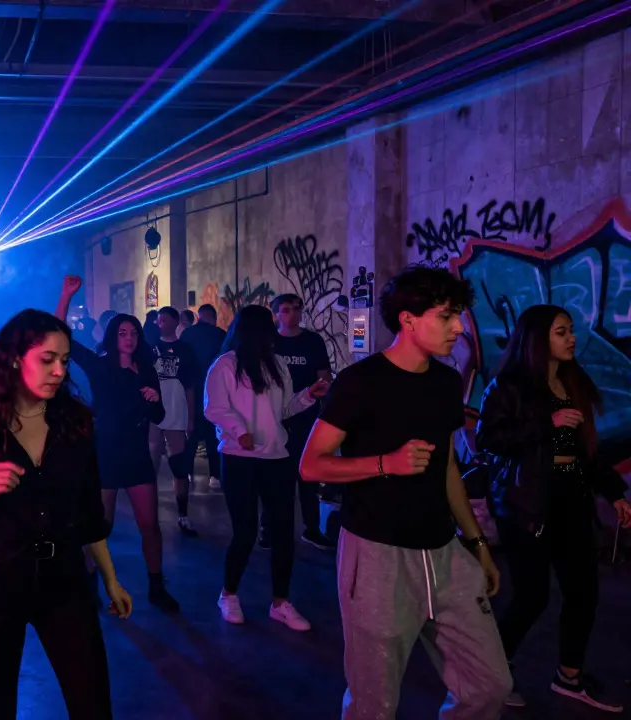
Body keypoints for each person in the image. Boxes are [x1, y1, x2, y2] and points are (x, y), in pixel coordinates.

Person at [300, 266, 512, 719]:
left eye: (458, 315)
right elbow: (311, 463)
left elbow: (447, 466)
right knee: (374, 703)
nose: (458, 326)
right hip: (376, 556)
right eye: (446, 315)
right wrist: (385, 464)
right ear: (408, 320)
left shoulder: (446, 381)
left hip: (443, 552)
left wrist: (476, 544)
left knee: (490, 685)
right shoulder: (360, 382)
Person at [0, 308, 133, 719]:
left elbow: (89, 512)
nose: (59, 370)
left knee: (92, 704)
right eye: (47, 359)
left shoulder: (75, 422)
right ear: (14, 358)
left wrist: (111, 579)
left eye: (64, 360)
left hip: (64, 582)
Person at [476, 304, 631, 713]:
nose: (572, 338)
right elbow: (489, 438)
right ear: (537, 337)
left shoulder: (571, 380)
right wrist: (549, 422)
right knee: (532, 596)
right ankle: (494, 670)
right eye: (561, 332)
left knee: (583, 590)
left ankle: (570, 676)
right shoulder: (509, 384)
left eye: (570, 331)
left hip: (572, 498)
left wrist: (614, 490)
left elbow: (584, 451)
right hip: (527, 501)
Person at [56, 277, 178, 612]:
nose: (128, 337)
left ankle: (156, 585)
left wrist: (154, 398)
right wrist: (66, 295)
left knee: (149, 525)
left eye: (133, 333)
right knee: (99, 527)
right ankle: (91, 585)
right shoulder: (99, 365)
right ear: (113, 336)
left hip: (136, 454)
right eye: (122, 332)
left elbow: (159, 413)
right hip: (104, 452)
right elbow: (61, 335)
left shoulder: (147, 370)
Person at [204, 305, 328, 630]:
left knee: (283, 533)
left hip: (276, 458)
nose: (272, 334)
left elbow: (284, 409)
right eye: (267, 328)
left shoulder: (277, 365)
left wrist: (307, 396)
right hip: (238, 460)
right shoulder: (225, 366)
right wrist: (238, 431)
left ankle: (280, 602)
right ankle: (228, 594)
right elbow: (214, 408)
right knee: (244, 532)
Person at [271, 294, 335, 550]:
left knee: (307, 474)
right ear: (276, 313)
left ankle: (311, 528)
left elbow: (324, 375)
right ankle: (270, 527)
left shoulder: (312, 341)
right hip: (275, 417)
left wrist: (324, 396)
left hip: (306, 415)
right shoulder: (270, 342)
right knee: (275, 476)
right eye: (286, 310)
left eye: (296, 309)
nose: (292, 314)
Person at [151, 306, 200, 535]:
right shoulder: (149, 349)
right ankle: (149, 514)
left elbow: (190, 386)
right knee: (150, 466)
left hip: (177, 413)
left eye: (165, 319)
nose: (161, 322)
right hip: (153, 416)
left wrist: (191, 418)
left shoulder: (185, 350)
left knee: (179, 467)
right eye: (158, 319)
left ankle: (183, 514)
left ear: (175, 322)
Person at [180, 303, 226, 492]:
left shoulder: (187, 334)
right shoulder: (220, 334)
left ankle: (188, 473)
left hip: (191, 389)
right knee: (213, 436)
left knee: (190, 435)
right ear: (213, 317)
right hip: (215, 391)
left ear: (198, 316)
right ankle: (215, 475)